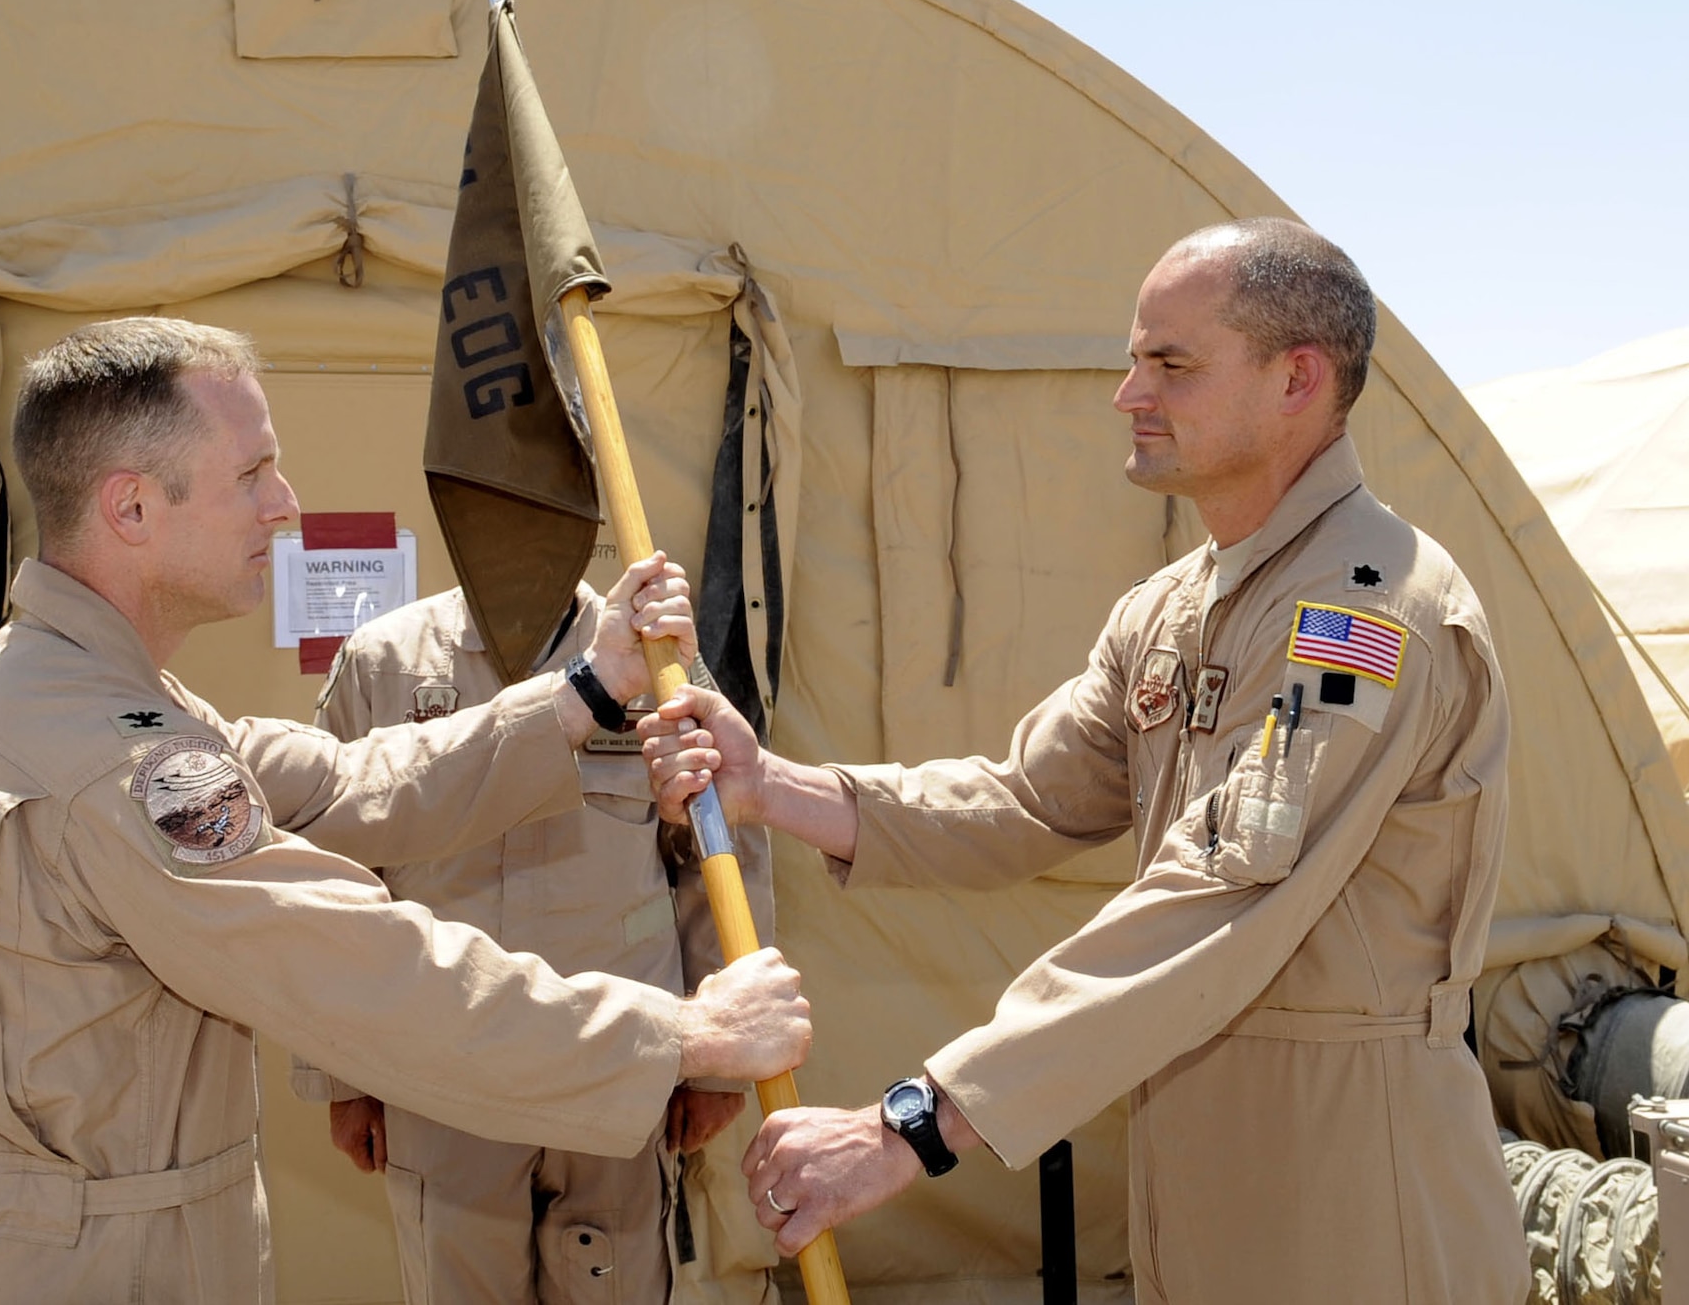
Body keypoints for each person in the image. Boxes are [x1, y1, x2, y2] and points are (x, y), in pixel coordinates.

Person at [643, 219, 1529, 1304]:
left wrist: (908, 1125)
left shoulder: (1362, 611)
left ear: (1297, 378)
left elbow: (1212, 896)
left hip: (1348, 1176)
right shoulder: (1172, 608)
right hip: (1194, 1165)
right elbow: (1024, 800)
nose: (1126, 392)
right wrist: (772, 787)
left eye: (1170, 363)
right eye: (1131, 357)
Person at [0, 316, 811, 1305]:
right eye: (251, 474)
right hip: (104, 1269)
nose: (284, 506)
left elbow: (347, 785)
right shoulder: (106, 756)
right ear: (132, 507)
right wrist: (682, 1035)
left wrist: (586, 691)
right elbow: (355, 963)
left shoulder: (92, 698)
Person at [292, 582, 774, 1303]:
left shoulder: (662, 666)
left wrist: (715, 1071)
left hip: (618, 1063)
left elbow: (720, 854)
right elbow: (327, 874)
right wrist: (339, 1077)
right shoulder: (384, 663)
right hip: (444, 1072)